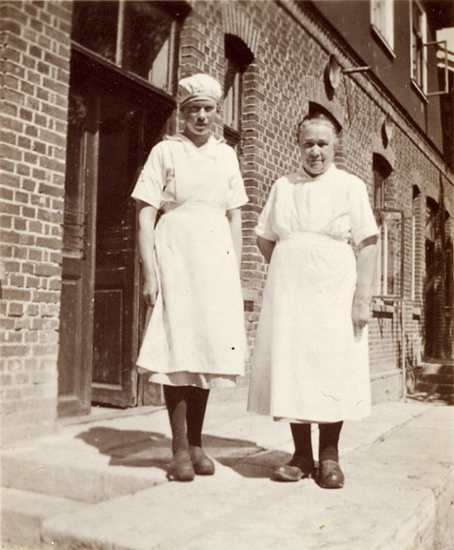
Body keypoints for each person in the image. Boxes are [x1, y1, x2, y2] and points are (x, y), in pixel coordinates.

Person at [248, 112, 379, 489]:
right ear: (298, 145)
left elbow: (368, 242)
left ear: (335, 146)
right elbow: (264, 237)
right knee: (293, 366)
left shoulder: (350, 186)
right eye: (308, 143)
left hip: (334, 291)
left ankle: (330, 457)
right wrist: (289, 267)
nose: (315, 151)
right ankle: (302, 456)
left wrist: (362, 297)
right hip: (290, 296)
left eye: (323, 143)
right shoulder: (283, 186)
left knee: (331, 366)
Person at [131, 74, 248, 482]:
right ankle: (179, 447)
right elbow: (145, 214)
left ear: (217, 113)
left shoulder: (226, 156)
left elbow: (235, 217)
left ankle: (197, 443)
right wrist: (150, 272)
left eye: (208, 109)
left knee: (206, 348)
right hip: (176, 254)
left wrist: (233, 273)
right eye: (193, 109)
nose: (201, 116)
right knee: (179, 348)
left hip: (215, 260)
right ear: (182, 113)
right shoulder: (166, 151)